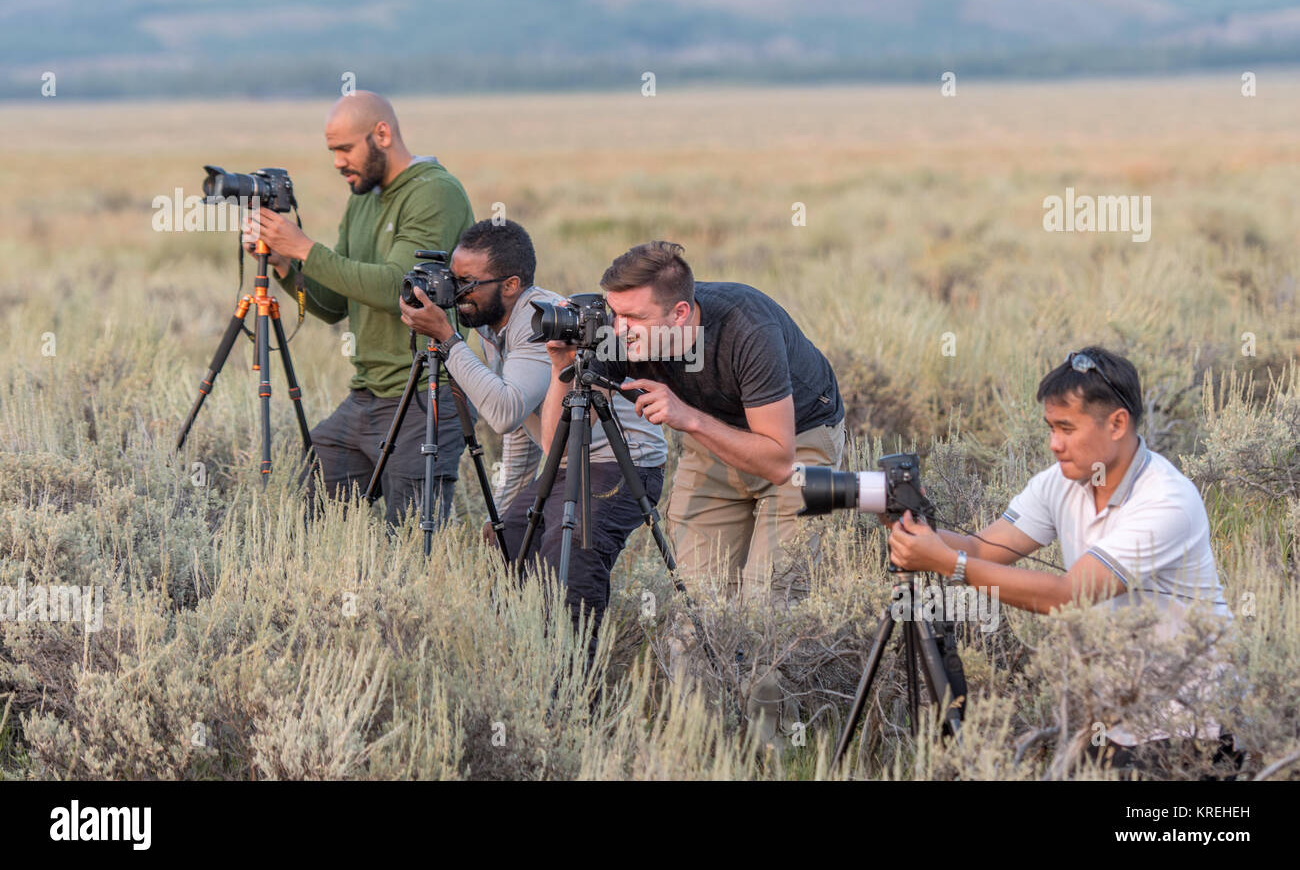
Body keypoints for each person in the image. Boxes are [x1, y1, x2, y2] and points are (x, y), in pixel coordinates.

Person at [887, 346, 1240, 777]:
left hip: (1190, 725)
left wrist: (947, 563)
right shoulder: (1062, 481)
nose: (1054, 444)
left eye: (1066, 428)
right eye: (1050, 427)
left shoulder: (1167, 500)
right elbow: (982, 549)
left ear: (1116, 423)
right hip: (1111, 722)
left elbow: (1069, 596)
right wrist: (913, 526)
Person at [575, 240, 845, 748]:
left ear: (680, 313)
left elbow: (778, 460)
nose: (618, 329)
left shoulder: (746, 327)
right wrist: (560, 364)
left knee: (769, 606)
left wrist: (686, 417)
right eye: (613, 313)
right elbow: (559, 441)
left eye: (632, 317)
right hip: (710, 441)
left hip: (798, 443)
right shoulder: (619, 334)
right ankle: (700, 745)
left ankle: (771, 750)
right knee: (697, 609)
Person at [398, 219, 667, 664]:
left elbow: (502, 412)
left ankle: (576, 684)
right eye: (454, 278)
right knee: (509, 541)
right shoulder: (488, 326)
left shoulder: (535, 319)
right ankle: (524, 666)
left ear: (511, 284)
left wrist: (446, 340)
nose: (456, 293)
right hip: (562, 458)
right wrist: (505, 509)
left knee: (566, 554)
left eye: (467, 283)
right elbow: (524, 424)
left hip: (621, 461)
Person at [242, 91, 475, 532]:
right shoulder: (362, 199)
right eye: (331, 151)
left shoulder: (435, 193)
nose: (337, 162)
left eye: (345, 149)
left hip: (426, 394)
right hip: (366, 396)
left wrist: (306, 248)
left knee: (410, 539)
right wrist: (287, 266)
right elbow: (332, 306)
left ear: (382, 134)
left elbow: (400, 290)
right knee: (306, 515)